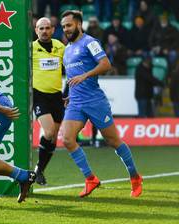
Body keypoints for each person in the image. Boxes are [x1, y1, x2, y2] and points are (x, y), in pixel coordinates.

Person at [60, 10, 143, 198]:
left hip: (95, 101)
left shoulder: (90, 42)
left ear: (79, 25)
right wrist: (70, 95)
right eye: (64, 26)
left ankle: (135, 177)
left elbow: (106, 65)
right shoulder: (67, 50)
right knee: (67, 139)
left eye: (69, 25)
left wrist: (85, 75)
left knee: (112, 141)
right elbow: (73, 77)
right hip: (76, 102)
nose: (66, 29)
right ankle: (90, 179)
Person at [32, 17, 66, 186]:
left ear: (52, 29)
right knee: (49, 131)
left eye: (47, 28)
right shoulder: (31, 49)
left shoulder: (60, 47)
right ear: (36, 30)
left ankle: (39, 170)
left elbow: (70, 69)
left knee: (53, 139)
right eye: (41, 28)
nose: (44, 31)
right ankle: (38, 170)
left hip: (57, 97)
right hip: (39, 96)